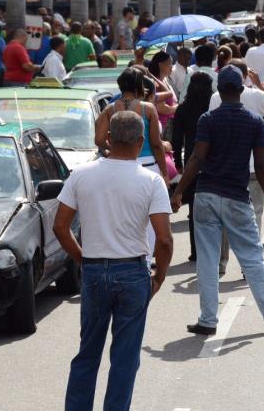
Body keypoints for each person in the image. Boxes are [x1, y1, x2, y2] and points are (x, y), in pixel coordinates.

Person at [53, 111, 174, 411]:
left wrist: (82, 258)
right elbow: (164, 239)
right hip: (133, 271)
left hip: (94, 271)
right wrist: (158, 277)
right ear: (141, 142)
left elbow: (60, 226)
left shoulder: (81, 174)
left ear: (108, 139)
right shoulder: (152, 182)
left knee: (87, 354)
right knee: (125, 358)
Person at [171, 66, 264, 336]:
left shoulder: (207, 119)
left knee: (207, 260)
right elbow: (261, 164)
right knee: (252, 258)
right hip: (236, 196)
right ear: (242, 90)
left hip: (205, 195)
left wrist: (180, 190)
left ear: (219, 90)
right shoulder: (254, 122)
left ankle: (207, 320)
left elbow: (196, 158)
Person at [210, 59, 264, 233]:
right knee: (254, 215)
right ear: (245, 77)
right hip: (253, 169)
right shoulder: (256, 95)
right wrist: (260, 85)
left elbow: (211, 135)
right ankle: (252, 257)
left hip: (225, 168)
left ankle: (222, 260)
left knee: (225, 216)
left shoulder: (215, 98)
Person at [95, 67, 169, 181]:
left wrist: (117, 147)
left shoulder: (110, 109)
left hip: (119, 165)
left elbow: (99, 140)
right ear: (139, 86)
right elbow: (156, 144)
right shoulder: (148, 108)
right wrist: (165, 173)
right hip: (148, 166)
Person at [171, 73, 214, 261]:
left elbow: (176, 139)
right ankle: (212, 250)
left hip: (191, 161)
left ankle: (195, 251)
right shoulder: (213, 108)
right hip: (213, 161)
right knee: (213, 209)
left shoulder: (182, 109)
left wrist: (178, 164)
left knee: (194, 211)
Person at [148, 51, 178, 132]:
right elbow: (161, 108)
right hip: (163, 126)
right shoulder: (155, 84)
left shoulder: (166, 79)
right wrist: (176, 108)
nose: (172, 66)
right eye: (169, 63)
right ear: (160, 65)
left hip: (171, 123)